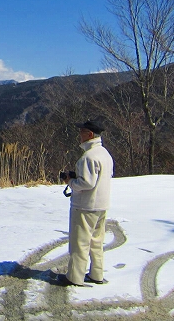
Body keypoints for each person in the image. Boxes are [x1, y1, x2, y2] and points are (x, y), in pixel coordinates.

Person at [59, 119, 114, 287]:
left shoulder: (88, 157)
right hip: (102, 204)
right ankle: (97, 274)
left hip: (85, 206)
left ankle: (74, 277)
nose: (79, 135)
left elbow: (87, 183)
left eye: (82, 132)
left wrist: (70, 181)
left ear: (89, 134)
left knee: (80, 242)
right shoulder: (104, 153)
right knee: (96, 242)